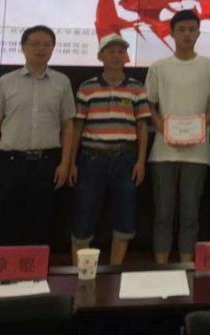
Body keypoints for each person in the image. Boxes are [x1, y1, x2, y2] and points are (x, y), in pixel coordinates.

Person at [0, 25, 75, 246]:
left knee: (41, 225)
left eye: (47, 44)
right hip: (10, 163)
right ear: (23, 47)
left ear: (53, 48)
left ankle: (36, 269)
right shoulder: (6, 81)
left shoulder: (62, 82)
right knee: (4, 223)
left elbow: (68, 126)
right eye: (35, 44)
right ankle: (2, 269)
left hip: (47, 164)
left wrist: (65, 163)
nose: (41, 49)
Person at [145, 9, 210, 263]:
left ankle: (186, 266)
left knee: (190, 214)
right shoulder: (158, 67)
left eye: (191, 29)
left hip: (197, 153)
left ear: (198, 33)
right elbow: (149, 104)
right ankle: (161, 266)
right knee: (163, 213)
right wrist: (163, 128)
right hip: (163, 151)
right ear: (172, 33)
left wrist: (200, 128)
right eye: (181, 30)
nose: (187, 34)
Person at [69, 34, 150, 266]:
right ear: (101, 56)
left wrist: (141, 161)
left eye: (120, 51)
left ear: (126, 57)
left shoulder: (136, 88)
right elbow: (77, 127)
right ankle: (81, 273)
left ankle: (115, 271)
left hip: (126, 160)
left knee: (125, 216)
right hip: (91, 160)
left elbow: (142, 127)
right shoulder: (87, 88)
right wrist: (71, 162)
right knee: (84, 215)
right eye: (111, 51)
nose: (116, 55)